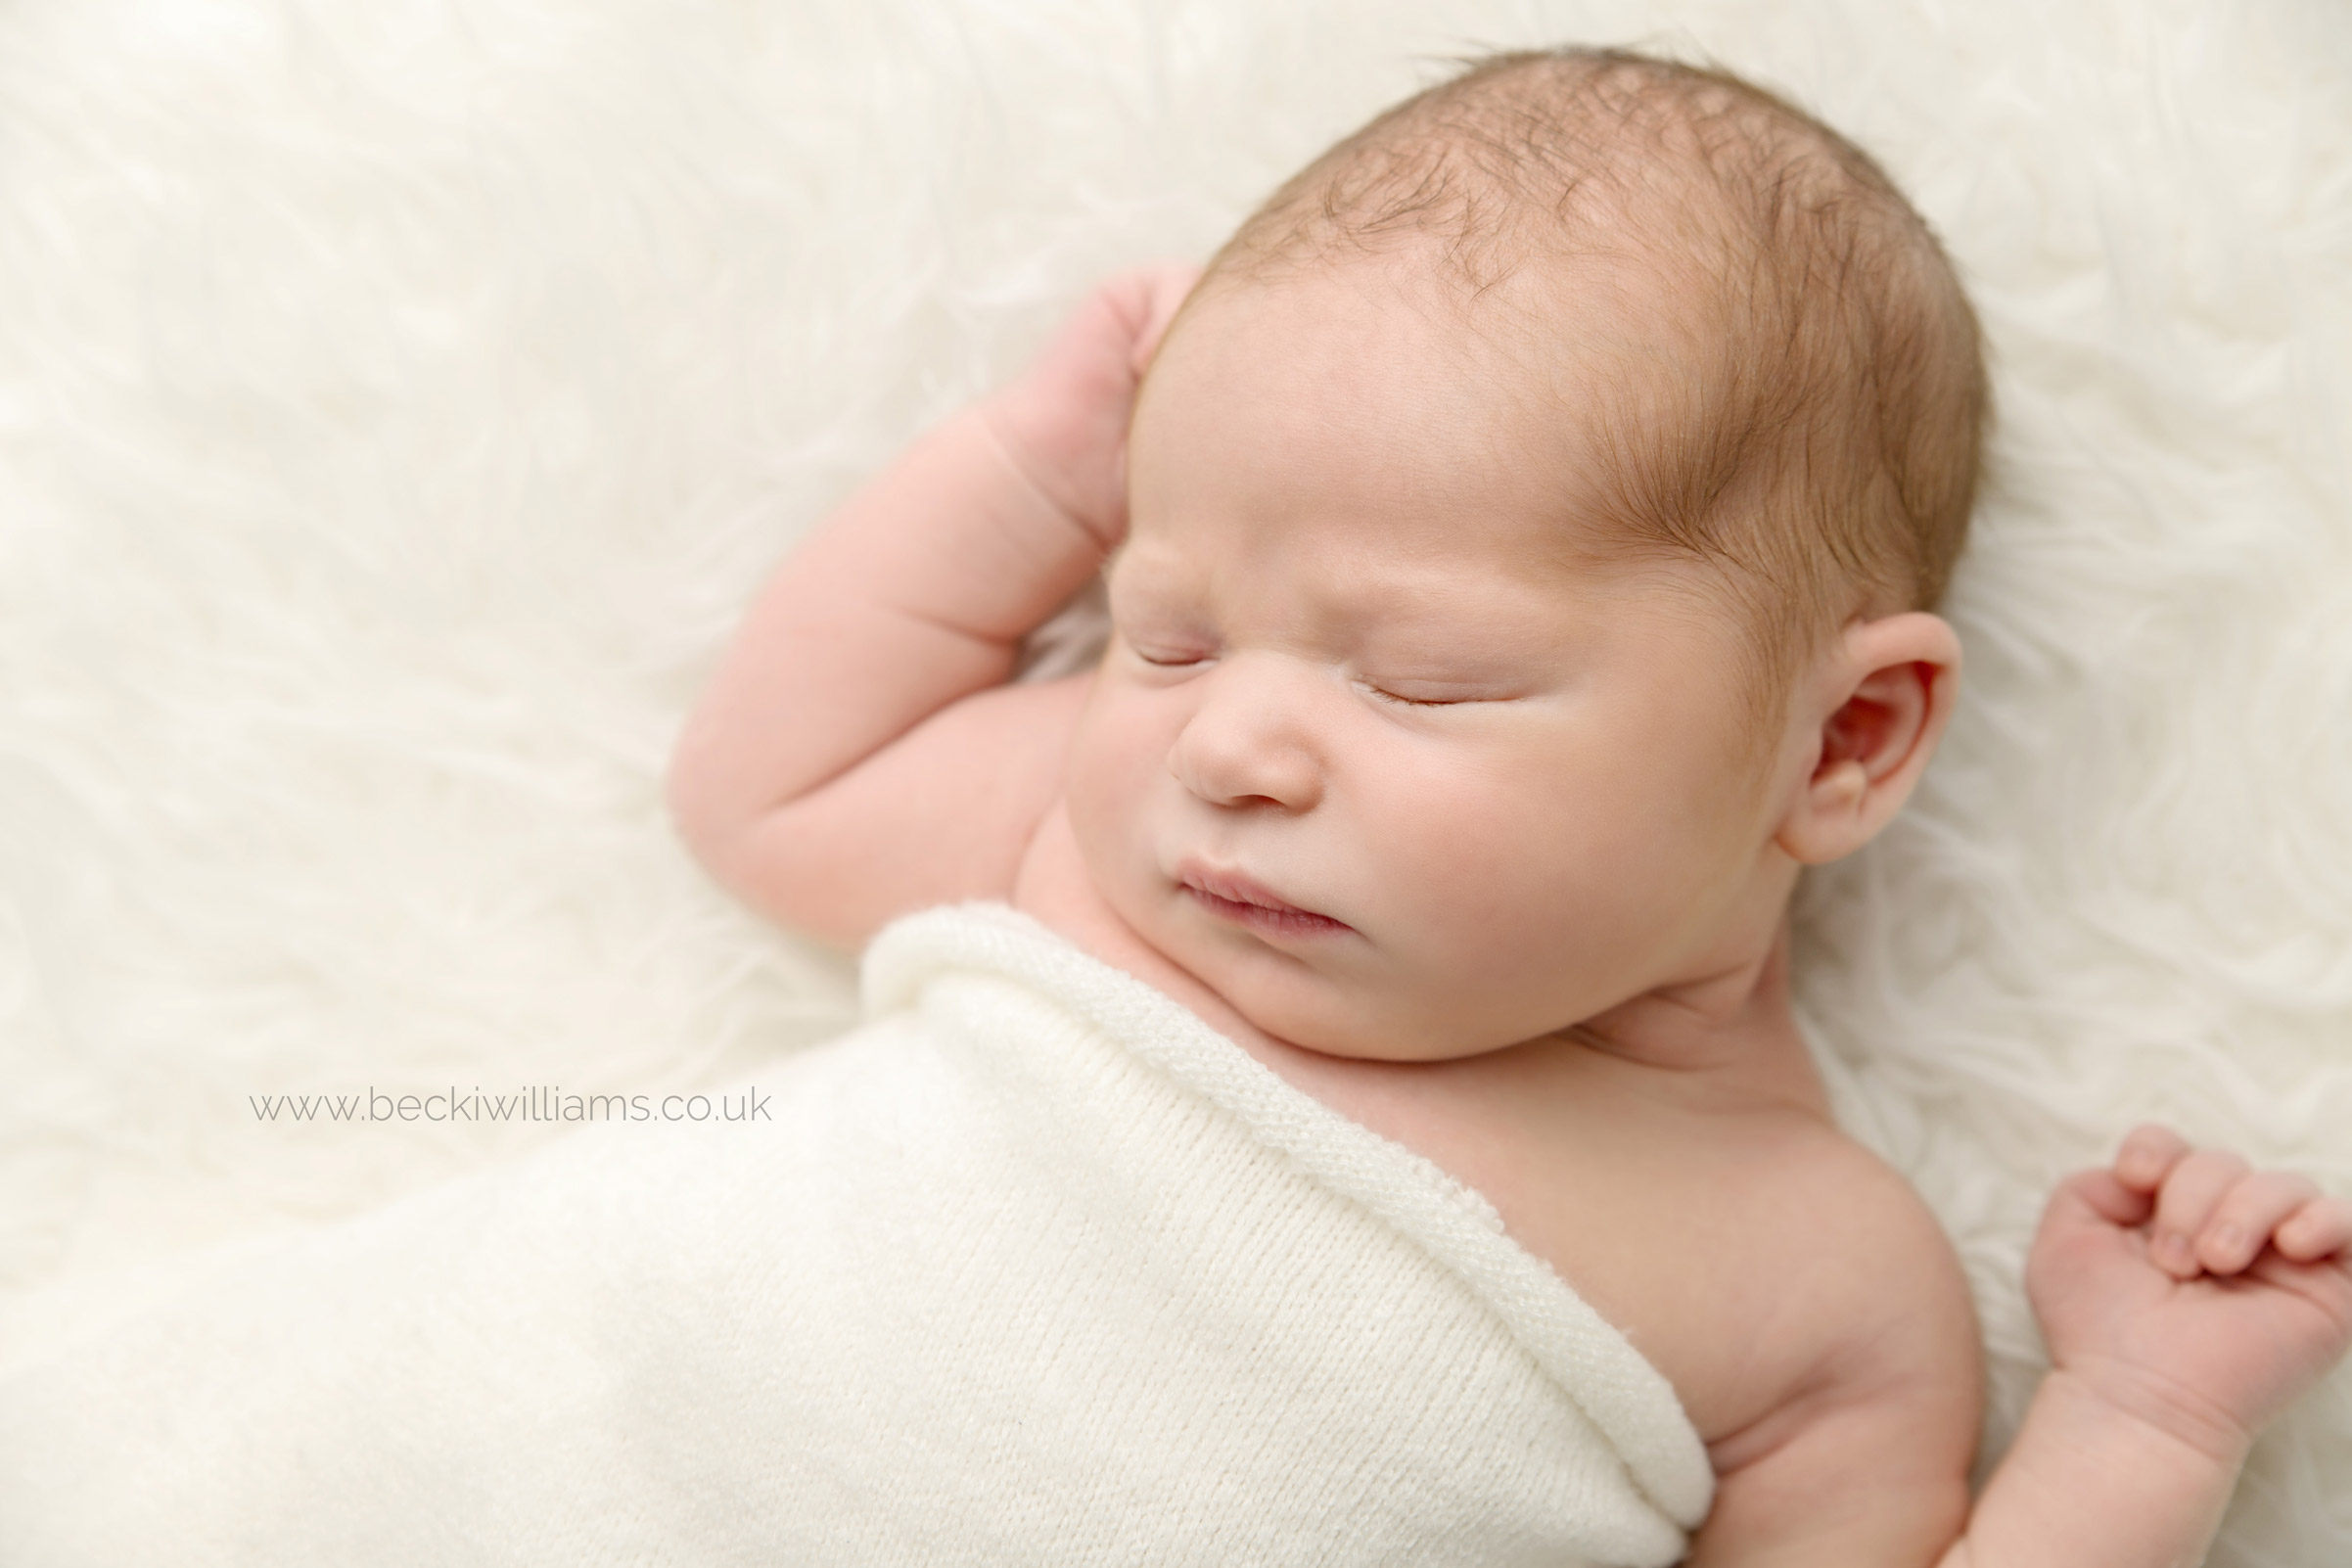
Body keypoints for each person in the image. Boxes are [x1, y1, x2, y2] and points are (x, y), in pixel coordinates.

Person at [667, 47, 2352, 1566]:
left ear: (1841, 738)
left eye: (1420, 678)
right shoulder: (1109, 857)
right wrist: (1047, 462)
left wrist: (2144, 1420)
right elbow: (773, 795)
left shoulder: (1810, 1283)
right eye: (1163, 633)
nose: (1228, 743)